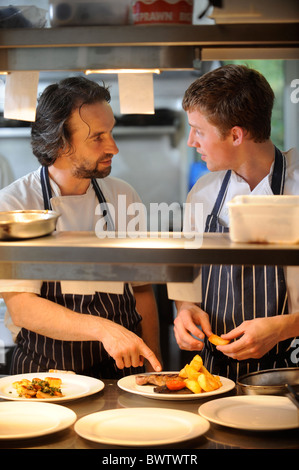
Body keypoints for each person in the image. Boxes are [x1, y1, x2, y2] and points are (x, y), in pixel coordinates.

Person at [0, 76, 162, 378]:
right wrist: (104, 329)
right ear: (60, 143)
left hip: (123, 371)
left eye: (110, 132)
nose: (113, 147)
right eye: (97, 137)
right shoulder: (14, 205)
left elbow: (141, 290)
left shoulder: (123, 195)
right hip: (44, 374)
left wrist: (153, 370)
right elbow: (23, 307)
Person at [173, 64, 299, 381]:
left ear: (236, 135)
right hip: (216, 373)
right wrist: (185, 309)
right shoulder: (202, 193)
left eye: (199, 131)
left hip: (291, 368)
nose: (191, 141)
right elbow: (186, 277)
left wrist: (286, 326)